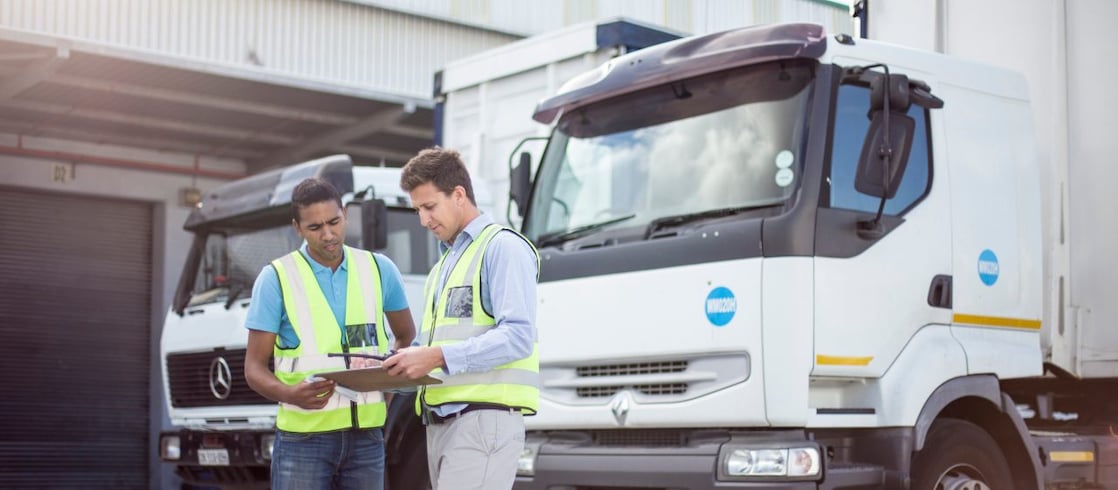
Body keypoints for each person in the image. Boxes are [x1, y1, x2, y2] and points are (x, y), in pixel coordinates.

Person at [243, 177, 416, 490]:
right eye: (315, 227)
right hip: (304, 440)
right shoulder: (276, 279)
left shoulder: (379, 270)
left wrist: (385, 394)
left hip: (367, 439)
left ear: (346, 214)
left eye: (334, 222)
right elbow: (253, 368)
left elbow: (405, 337)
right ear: (297, 228)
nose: (328, 234)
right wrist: (288, 394)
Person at [384, 147, 539, 489]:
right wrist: (388, 366)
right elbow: (431, 347)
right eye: (417, 210)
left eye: (429, 207)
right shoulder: (442, 267)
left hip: (483, 421)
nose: (423, 220)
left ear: (458, 195)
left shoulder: (502, 248)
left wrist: (437, 356)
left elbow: (518, 336)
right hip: (442, 423)